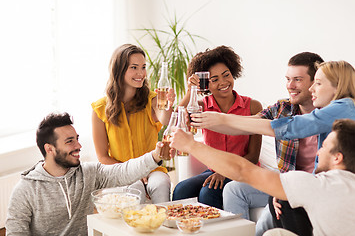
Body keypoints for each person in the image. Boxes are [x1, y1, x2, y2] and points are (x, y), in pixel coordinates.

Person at [191, 60, 355, 234]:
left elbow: (291, 127)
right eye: (288, 79)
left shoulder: (342, 108)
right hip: (307, 183)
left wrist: (221, 120)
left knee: (281, 205)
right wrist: (213, 120)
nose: (310, 88)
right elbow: (249, 124)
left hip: (337, 190)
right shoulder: (287, 108)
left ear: (338, 86)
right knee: (246, 198)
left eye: (316, 83)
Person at [171, 118, 355, 236]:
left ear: (337, 158)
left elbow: (244, 170)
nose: (318, 152)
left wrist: (191, 145)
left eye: (324, 147)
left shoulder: (320, 187)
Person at [5, 112, 173, 236]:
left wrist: (155, 156)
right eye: (70, 141)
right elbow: (15, 233)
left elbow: (123, 171)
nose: (78, 145)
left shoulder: (88, 173)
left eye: (77, 138)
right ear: (49, 149)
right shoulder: (25, 190)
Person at [222, 52, 323, 235]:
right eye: (288, 79)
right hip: (284, 180)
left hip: (313, 186)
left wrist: (286, 191)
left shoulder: (332, 115)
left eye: (298, 80)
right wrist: (207, 119)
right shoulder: (283, 108)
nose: (290, 86)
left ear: (316, 82)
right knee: (234, 189)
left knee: (267, 221)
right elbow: (246, 124)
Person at [172, 45, 263, 209]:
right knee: (181, 189)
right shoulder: (200, 106)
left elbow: (254, 156)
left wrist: (225, 172)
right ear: (206, 84)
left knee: (209, 192)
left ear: (233, 73)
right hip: (214, 171)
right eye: (214, 79)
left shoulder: (253, 106)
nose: (223, 82)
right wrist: (190, 91)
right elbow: (176, 120)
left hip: (245, 170)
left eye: (226, 75)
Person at [91, 44, 175, 204]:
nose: (141, 73)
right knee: (134, 186)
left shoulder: (152, 99)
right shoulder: (99, 110)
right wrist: (133, 171)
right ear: (119, 70)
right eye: (134, 67)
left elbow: (166, 121)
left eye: (143, 67)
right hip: (120, 170)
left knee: (161, 183)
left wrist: (168, 104)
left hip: (152, 168)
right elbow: (102, 157)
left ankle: (165, 224)